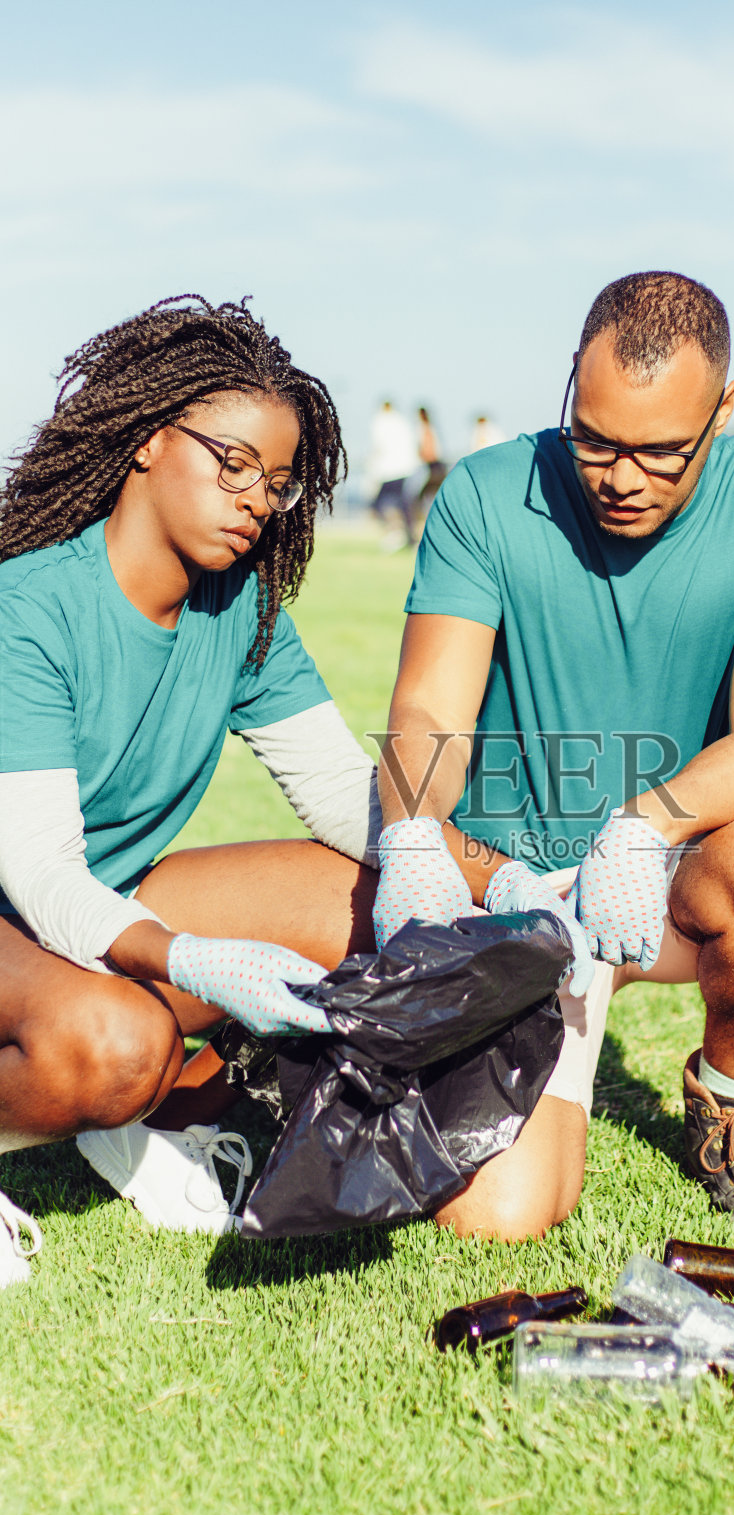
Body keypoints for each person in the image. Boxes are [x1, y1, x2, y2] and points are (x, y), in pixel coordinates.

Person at [0, 296, 536, 1287]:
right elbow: (36, 873)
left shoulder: (241, 605)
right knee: (117, 1044)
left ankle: (162, 1112)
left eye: (278, 484)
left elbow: (343, 795)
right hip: (23, 910)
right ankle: (130, 1083)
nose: (254, 499)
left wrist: (502, 878)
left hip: (78, 912)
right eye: (231, 462)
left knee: (372, 898)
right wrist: (195, 958)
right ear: (148, 441)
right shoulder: (28, 607)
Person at [374, 271, 734, 1243]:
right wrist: (417, 834)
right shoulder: (486, 491)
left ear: (722, 411)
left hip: (659, 886)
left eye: (661, 452)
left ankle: (729, 1101)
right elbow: (428, 704)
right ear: (568, 388)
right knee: (496, 1215)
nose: (620, 477)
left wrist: (639, 828)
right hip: (512, 894)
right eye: (594, 440)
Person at [367, 399, 417, 548]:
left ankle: (395, 532)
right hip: (405, 469)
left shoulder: (380, 421)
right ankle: (408, 536)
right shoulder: (402, 421)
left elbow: (378, 446)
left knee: (378, 505)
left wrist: (372, 469)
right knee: (403, 504)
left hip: (388, 470)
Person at [414, 405, 448, 527]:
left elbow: (429, 450)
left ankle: (424, 523)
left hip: (433, 467)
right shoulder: (431, 427)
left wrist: (421, 455)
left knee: (420, 498)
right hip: (435, 466)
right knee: (430, 498)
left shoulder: (425, 428)